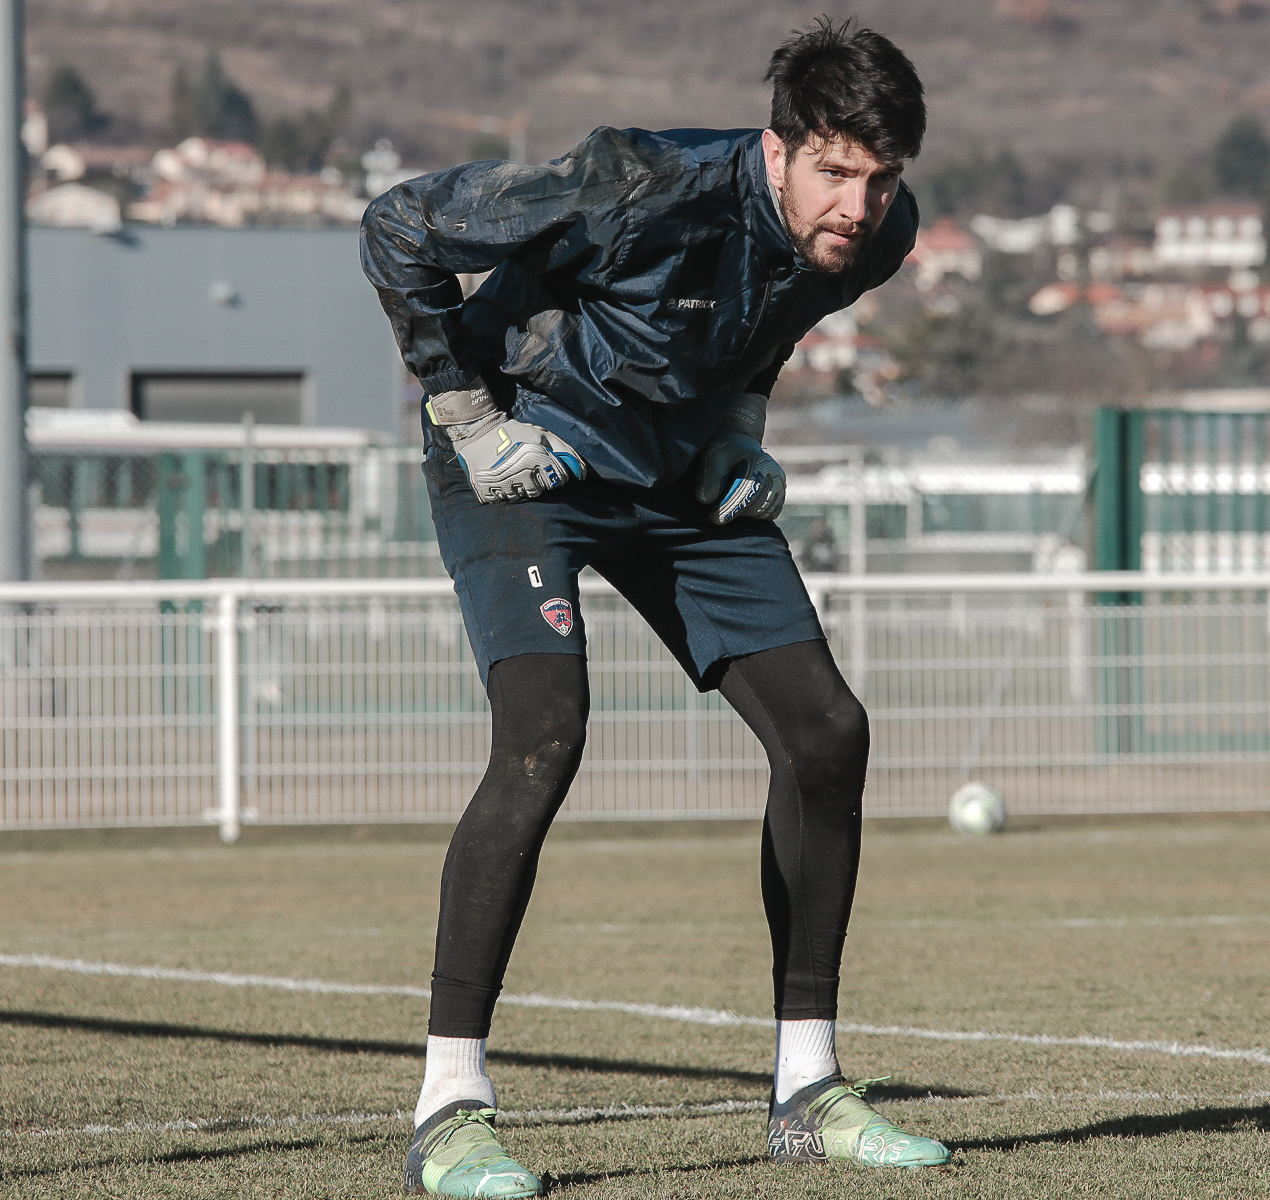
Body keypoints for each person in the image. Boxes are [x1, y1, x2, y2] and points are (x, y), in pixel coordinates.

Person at [361, 17, 949, 1196]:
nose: (858, 204)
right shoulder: (636, 184)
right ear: (777, 150)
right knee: (544, 735)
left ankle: (806, 1092)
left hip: (672, 476)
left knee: (827, 734)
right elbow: (399, 225)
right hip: (527, 457)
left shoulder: (873, 239)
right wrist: (464, 413)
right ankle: (448, 1110)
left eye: (881, 179)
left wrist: (739, 425)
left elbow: (764, 317)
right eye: (834, 171)